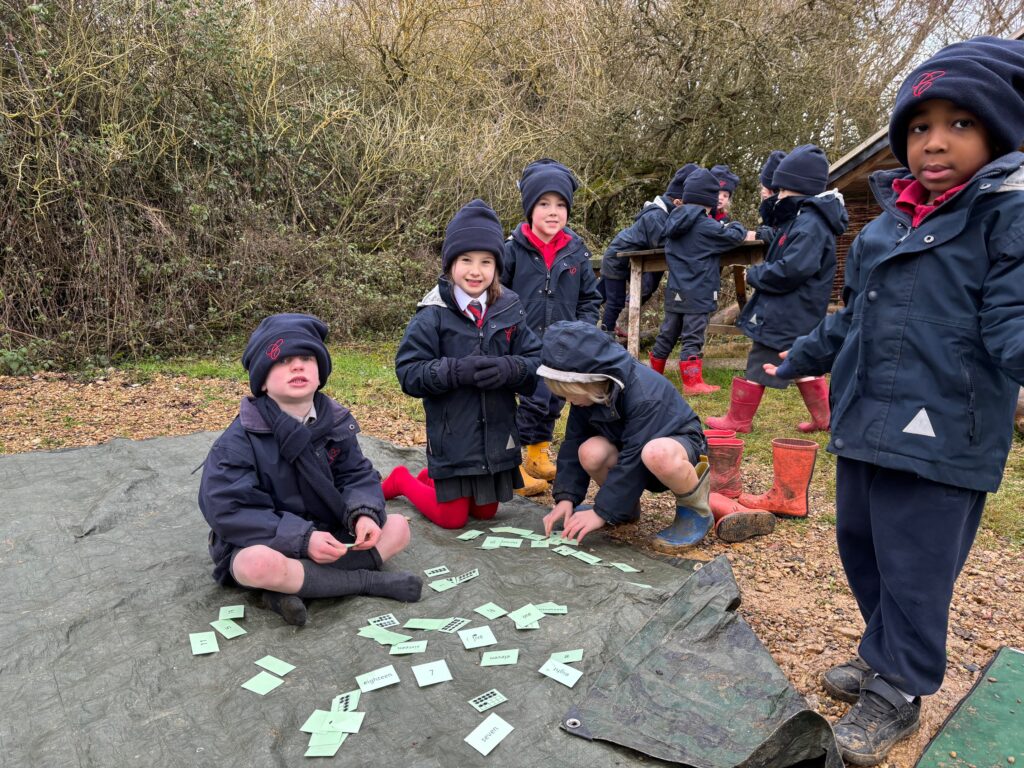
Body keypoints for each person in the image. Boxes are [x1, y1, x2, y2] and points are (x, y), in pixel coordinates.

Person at [764, 38, 1024, 765]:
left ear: (998, 134)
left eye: (959, 124)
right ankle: (884, 657)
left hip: (945, 430)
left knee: (916, 563)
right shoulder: (883, 226)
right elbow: (854, 318)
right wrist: (805, 355)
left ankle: (901, 690)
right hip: (866, 417)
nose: (934, 142)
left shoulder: (1007, 216)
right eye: (919, 126)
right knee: (865, 548)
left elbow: (1014, 320)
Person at [198, 314, 421, 627]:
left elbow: (356, 476)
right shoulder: (237, 441)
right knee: (255, 565)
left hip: (329, 534)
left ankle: (288, 589)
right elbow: (229, 509)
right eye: (283, 360)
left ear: (320, 373)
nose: (297, 366)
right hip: (271, 543)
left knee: (398, 527)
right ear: (262, 380)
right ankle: (365, 581)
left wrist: (364, 514)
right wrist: (302, 540)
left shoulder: (336, 422)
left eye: (306, 358)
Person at [392, 199, 542, 528]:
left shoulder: (510, 307)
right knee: (452, 519)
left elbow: (535, 364)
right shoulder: (432, 313)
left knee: (487, 512)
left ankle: (431, 480)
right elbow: (408, 373)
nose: (476, 271)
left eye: (486, 261)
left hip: (496, 436)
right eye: (466, 260)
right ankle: (404, 480)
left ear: (497, 267)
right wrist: (454, 371)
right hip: (453, 436)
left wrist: (509, 369)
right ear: (450, 264)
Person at [536, 321, 712, 552]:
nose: (568, 401)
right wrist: (566, 498)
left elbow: (635, 459)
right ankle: (624, 511)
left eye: (569, 394)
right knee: (589, 451)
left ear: (589, 380)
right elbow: (573, 442)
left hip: (677, 449)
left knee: (656, 453)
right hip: (632, 450)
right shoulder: (589, 391)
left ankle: (695, 512)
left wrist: (601, 512)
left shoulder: (644, 394)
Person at [706, 144, 847, 433]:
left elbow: (793, 269)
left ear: (797, 189)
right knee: (801, 360)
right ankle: (825, 418)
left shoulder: (810, 225)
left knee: (760, 356)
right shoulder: (805, 220)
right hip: (797, 307)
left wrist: (757, 275)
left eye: (782, 191)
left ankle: (738, 419)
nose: (777, 195)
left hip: (789, 307)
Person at [502, 159, 602, 494]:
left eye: (560, 205)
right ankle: (512, 462)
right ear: (530, 207)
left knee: (552, 400)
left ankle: (537, 453)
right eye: (544, 203)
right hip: (521, 342)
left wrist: (581, 331)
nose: (553, 212)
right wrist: (506, 330)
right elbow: (497, 293)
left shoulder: (576, 252)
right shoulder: (512, 250)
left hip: (562, 345)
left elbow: (590, 298)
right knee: (526, 399)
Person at [650, 168, 750, 395]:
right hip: (699, 291)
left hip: (676, 289)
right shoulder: (705, 225)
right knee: (693, 335)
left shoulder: (673, 220)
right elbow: (733, 236)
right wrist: (736, 226)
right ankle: (692, 382)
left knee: (668, 332)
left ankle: (652, 376)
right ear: (710, 199)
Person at [598, 164, 697, 338]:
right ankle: (605, 334)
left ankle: (602, 326)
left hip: (623, 260)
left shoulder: (662, 214)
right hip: (616, 260)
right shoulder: (655, 216)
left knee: (604, 294)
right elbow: (660, 243)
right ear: (677, 202)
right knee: (613, 301)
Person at [755, 150, 787, 244]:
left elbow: (783, 237)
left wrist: (759, 234)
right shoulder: (768, 205)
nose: (762, 191)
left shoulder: (784, 207)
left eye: (765, 187)